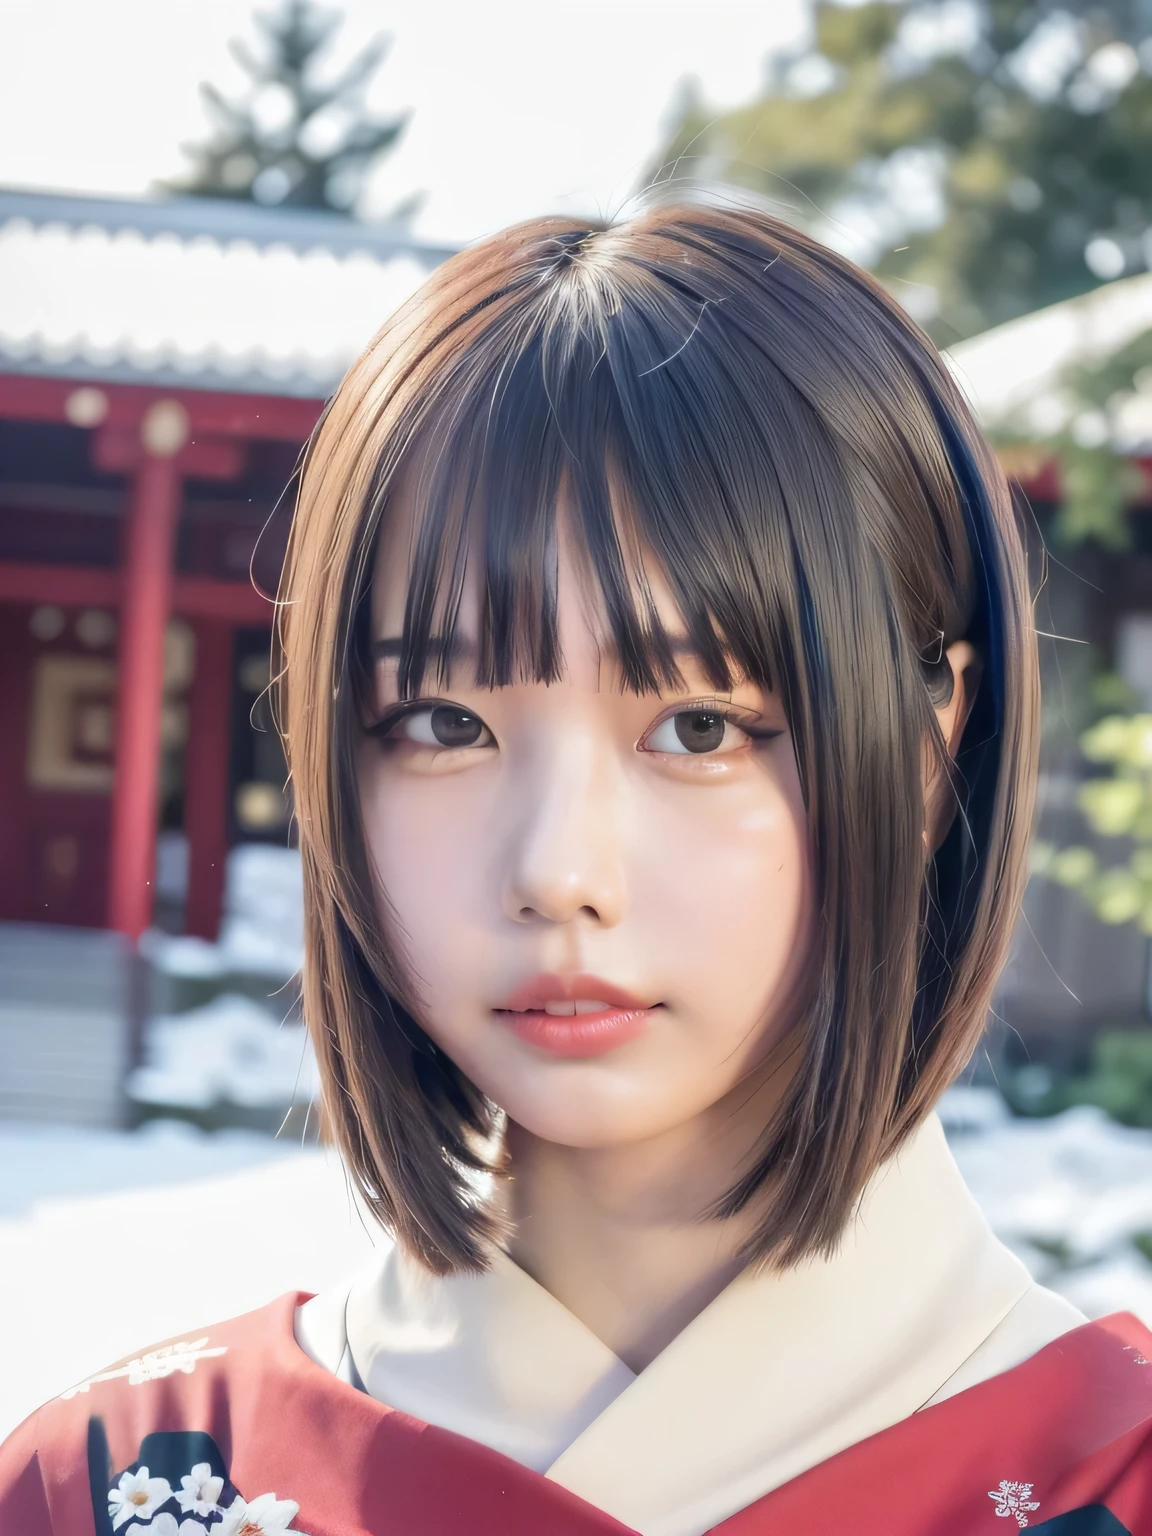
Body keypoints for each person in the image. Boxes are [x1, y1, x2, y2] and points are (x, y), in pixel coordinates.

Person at [3, 204, 1150, 1536]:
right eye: (442, 725)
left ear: (928, 742)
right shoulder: (107, 1491)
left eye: (700, 728)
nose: (558, 872)